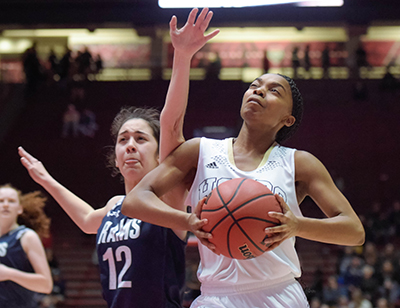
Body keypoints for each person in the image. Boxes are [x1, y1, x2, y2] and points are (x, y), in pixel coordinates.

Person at [121, 16, 365, 307]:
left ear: (288, 119)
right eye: (255, 85)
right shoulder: (200, 151)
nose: (259, 90)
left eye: (274, 91)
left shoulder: (300, 163)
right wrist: (188, 221)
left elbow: (354, 231)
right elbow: (134, 202)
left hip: (279, 294)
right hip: (215, 296)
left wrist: (296, 226)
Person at [19, 7, 219, 308]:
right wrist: (46, 179)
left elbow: (171, 121)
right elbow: (87, 220)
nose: (129, 145)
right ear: (114, 155)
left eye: (141, 139)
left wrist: (182, 56)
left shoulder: (169, 199)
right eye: (123, 139)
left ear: (159, 153)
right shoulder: (114, 206)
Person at [0, 184, 53, 307]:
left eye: (11, 201)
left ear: (20, 209)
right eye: (1, 201)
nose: (6, 204)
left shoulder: (26, 236)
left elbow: (46, 285)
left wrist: (9, 273)